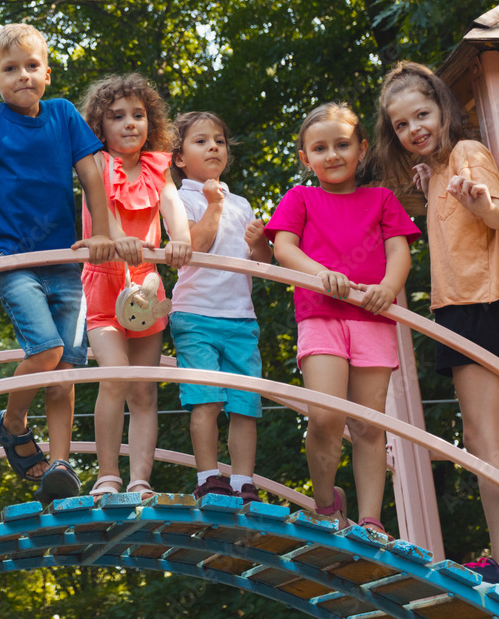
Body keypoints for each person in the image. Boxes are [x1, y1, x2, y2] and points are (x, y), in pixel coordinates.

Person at [373, 61, 499, 611]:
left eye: (423, 115)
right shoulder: (438, 171)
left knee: (483, 442)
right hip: (457, 309)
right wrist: (435, 187)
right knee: (484, 442)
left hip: (482, 306)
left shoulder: (468, 153)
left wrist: (480, 202)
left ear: (444, 111)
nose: (414, 129)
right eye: (403, 124)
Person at [0, 24, 118, 504]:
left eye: (31, 66)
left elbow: (91, 175)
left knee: (64, 370)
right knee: (45, 350)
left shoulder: (63, 115)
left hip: (65, 260)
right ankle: (13, 421)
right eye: (9, 69)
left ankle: (60, 463)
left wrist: (99, 233)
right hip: (13, 259)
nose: (23, 76)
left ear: (46, 72)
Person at [265, 103, 419, 537]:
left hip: (373, 317)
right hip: (321, 314)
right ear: (305, 157)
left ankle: (371, 520)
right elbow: (284, 248)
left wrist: (389, 287)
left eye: (342, 145)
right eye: (320, 148)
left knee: (369, 424)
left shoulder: (381, 199)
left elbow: (399, 252)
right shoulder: (301, 198)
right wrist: (321, 273)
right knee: (325, 417)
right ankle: (327, 503)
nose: (332, 155)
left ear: (361, 149)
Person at [78, 74, 193, 499]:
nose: (130, 124)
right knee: (115, 377)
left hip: (146, 284)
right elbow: (102, 204)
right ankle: (107, 475)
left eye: (138, 115)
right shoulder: (95, 164)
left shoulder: (156, 167)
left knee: (144, 388)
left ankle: (140, 478)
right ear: (100, 126)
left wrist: (180, 239)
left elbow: (172, 206)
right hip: (105, 283)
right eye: (117, 116)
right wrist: (113, 237)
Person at [167, 112, 272, 502]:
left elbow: (261, 264)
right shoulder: (180, 199)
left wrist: (260, 241)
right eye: (201, 141)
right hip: (196, 314)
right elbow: (194, 247)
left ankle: (244, 482)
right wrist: (212, 204)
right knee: (206, 399)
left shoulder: (241, 203)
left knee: (245, 406)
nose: (213, 146)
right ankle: (209, 477)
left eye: (219, 140)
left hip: (241, 318)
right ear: (179, 158)